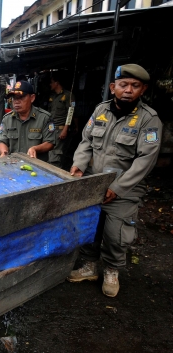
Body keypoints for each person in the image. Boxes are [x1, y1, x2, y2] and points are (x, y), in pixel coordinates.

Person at [67, 64, 162, 297]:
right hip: (94, 183)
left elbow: (145, 161)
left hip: (125, 189)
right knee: (90, 225)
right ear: (113, 87)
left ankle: (111, 270)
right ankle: (89, 265)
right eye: (123, 85)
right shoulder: (100, 110)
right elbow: (86, 142)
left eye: (135, 86)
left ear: (143, 90)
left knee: (115, 233)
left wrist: (117, 188)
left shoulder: (149, 120)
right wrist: (78, 165)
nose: (128, 90)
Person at [0, 81, 55, 161]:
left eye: (21, 97)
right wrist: (4, 152)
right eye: (14, 98)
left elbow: (50, 142)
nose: (16, 101)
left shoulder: (44, 117)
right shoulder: (7, 119)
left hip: (37, 165)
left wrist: (35, 148)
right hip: (13, 164)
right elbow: (2, 140)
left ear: (32, 98)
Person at [48, 72, 76, 169]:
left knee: (56, 155)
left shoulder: (68, 95)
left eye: (51, 82)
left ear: (57, 83)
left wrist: (65, 129)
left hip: (60, 129)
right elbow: (50, 115)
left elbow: (71, 113)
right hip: (52, 128)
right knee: (50, 153)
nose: (50, 85)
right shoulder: (53, 97)